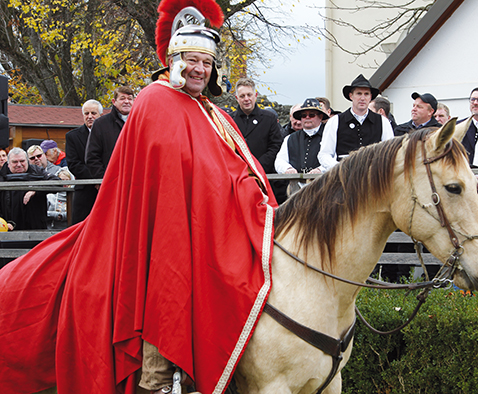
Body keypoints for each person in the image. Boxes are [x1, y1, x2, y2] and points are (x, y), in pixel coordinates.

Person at [0, 1, 276, 393]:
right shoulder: (155, 100)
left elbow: (231, 168)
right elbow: (165, 172)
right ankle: (156, 379)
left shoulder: (214, 112)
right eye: (192, 60)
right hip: (157, 231)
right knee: (162, 282)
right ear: (174, 60)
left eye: (207, 63)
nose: (200, 69)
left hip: (204, 227)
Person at [318, 74, 394, 170]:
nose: (362, 98)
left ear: (370, 97)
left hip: (373, 177)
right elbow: (324, 154)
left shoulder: (382, 122)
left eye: (366, 94)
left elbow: (389, 152)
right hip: (344, 178)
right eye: (359, 93)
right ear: (351, 96)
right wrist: (340, 168)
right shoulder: (335, 121)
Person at [231, 77, 285, 202]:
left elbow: (275, 146)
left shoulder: (269, 118)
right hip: (238, 177)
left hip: (264, 176)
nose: (246, 99)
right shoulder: (230, 120)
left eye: (249, 95)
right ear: (236, 98)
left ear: (255, 95)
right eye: (242, 95)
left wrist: (257, 167)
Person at [0, 147, 59, 230]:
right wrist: (3, 222)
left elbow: (57, 182)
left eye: (22, 161)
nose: (19, 165)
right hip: (9, 227)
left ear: (27, 161)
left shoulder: (37, 172)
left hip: (36, 226)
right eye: (15, 162)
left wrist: (36, 189)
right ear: (8, 163)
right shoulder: (1, 177)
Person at [85, 85, 134, 180]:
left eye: (130, 98)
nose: (127, 102)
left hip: (136, 181)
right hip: (111, 181)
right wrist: (103, 179)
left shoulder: (140, 122)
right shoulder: (101, 124)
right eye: (122, 98)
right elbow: (92, 156)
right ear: (114, 102)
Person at [66, 99, 103, 224]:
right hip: (84, 191)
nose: (90, 117)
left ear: (100, 115)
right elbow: (73, 164)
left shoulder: (109, 134)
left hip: (106, 188)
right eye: (86, 113)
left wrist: (103, 180)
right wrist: (96, 178)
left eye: (93, 113)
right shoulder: (73, 136)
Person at [275, 98, 328, 175]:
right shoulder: (290, 138)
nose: (307, 117)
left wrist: (320, 170)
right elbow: (280, 160)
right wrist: (288, 168)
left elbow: (334, 159)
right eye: (303, 115)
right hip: (296, 184)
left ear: (320, 117)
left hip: (322, 183)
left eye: (311, 115)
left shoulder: (328, 136)